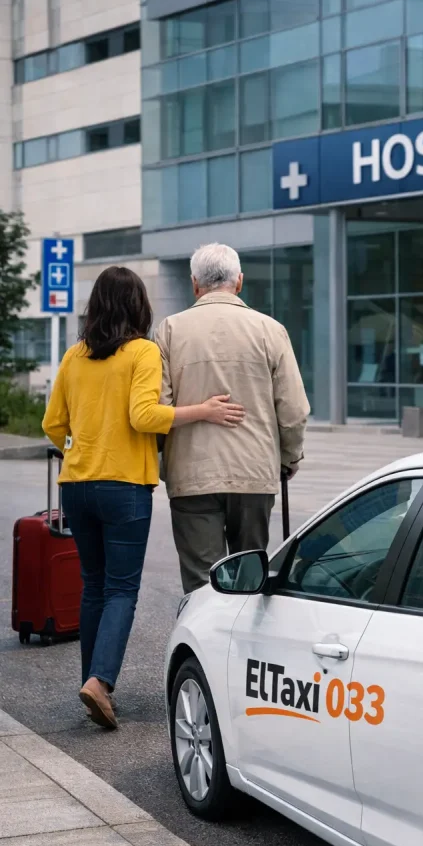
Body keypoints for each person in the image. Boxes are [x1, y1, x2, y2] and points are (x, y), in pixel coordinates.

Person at [42, 266, 245, 729]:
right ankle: (100, 682)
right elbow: (144, 416)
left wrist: (84, 439)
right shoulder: (142, 352)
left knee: (93, 585)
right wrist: (205, 411)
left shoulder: (75, 356)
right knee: (120, 589)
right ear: (138, 305)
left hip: (75, 485)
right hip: (124, 486)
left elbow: (53, 424)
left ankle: (92, 683)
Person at [156, 242, 310, 594]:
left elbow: (159, 409)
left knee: (201, 585)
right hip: (254, 474)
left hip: (191, 476)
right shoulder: (271, 329)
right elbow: (294, 409)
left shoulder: (169, 330)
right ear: (239, 282)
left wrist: (163, 458)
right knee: (247, 579)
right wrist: (289, 457)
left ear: (195, 284)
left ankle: (199, 644)